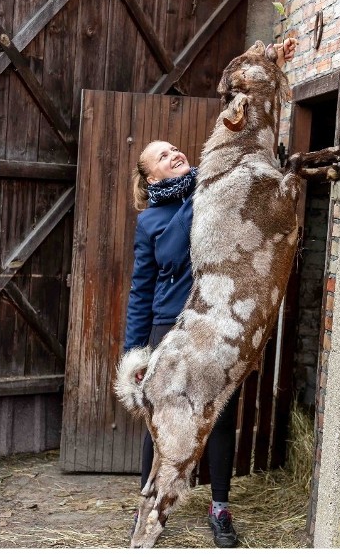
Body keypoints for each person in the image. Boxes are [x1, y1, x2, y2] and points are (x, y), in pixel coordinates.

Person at [124, 38, 296, 548]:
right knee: (162, 421)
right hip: (168, 322)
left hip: (214, 325)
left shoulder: (216, 184)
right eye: (161, 157)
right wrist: (136, 350)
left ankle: (220, 509)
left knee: (217, 418)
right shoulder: (152, 220)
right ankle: (150, 508)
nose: (174, 154)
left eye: (174, 149)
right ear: (149, 176)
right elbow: (142, 286)